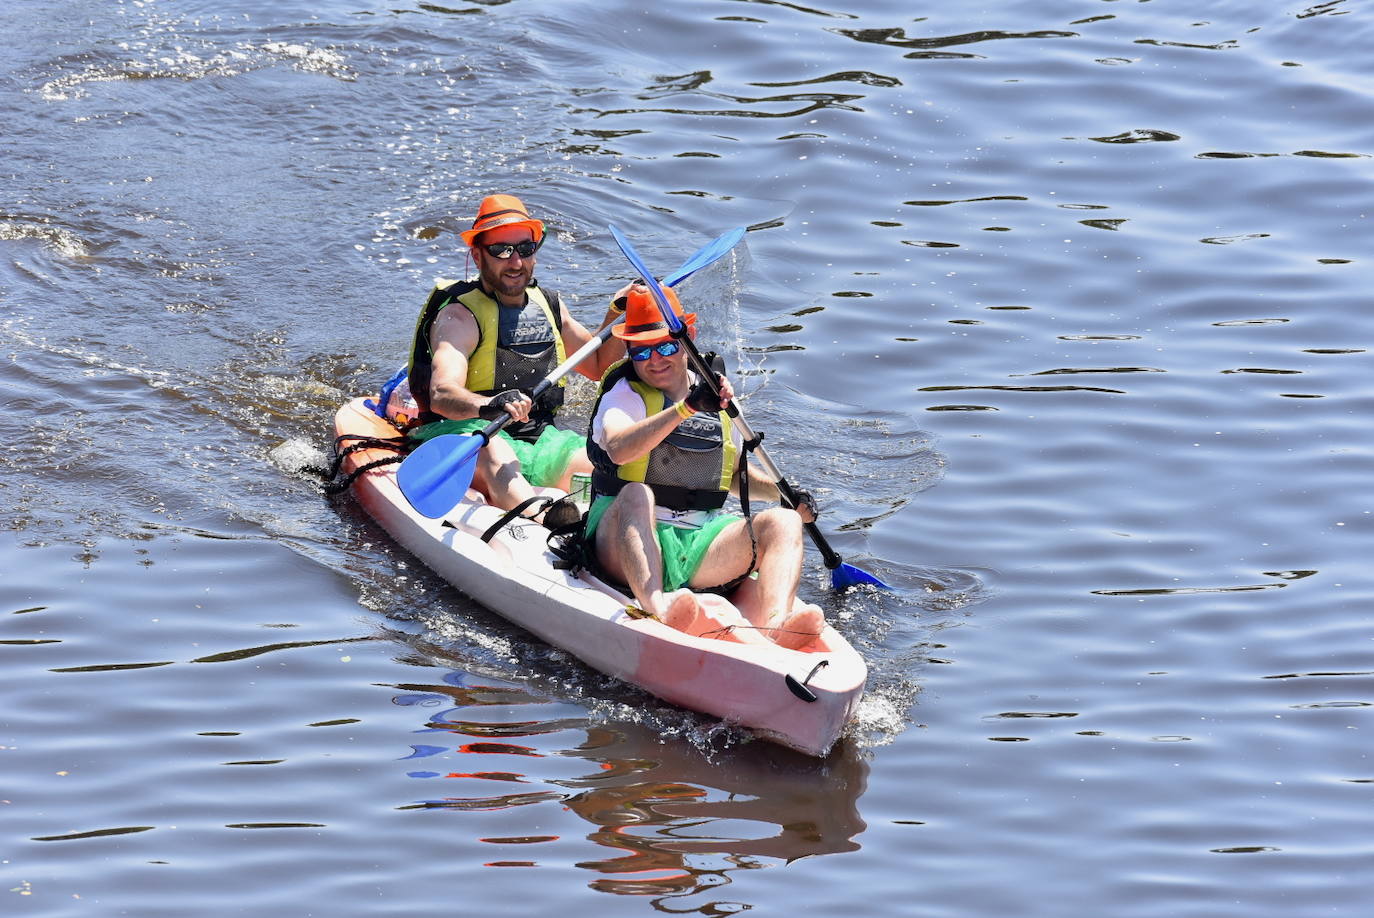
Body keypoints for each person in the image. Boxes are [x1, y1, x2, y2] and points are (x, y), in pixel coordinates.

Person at [582, 283, 826, 650]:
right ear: (629, 351)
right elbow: (618, 449)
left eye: (665, 346)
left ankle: (778, 625)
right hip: (622, 539)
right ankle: (657, 609)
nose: (655, 360)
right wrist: (685, 408)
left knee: (783, 520)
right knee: (636, 493)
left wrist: (784, 496)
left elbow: (730, 476)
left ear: (688, 339)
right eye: (641, 351)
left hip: (698, 541)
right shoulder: (623, 395)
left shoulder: (716, 393)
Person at [405, 194, 624, 516]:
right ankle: (544, 517)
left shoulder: (548, 305)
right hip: (465, 436)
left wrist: (619, 315)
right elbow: (441, 394)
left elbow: (597, 366)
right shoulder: (459, 317)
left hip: (540, 440)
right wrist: (488, 406)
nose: (516, 262)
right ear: (478, 257)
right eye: (501, 250)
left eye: (525, 249)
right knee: (495, 451)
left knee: (608, 464)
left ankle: (604, 526)